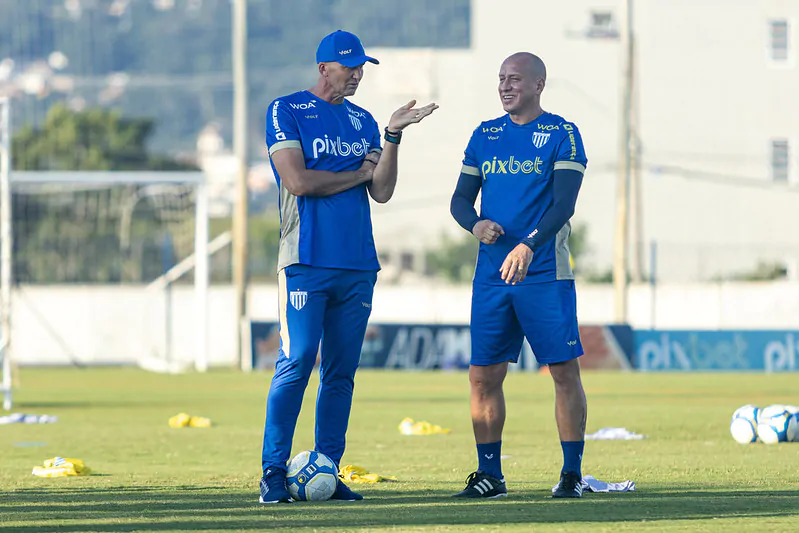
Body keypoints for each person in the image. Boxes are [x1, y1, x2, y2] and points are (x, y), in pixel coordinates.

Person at [260, 30, 437, 504]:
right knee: (296, 363)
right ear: (323, 68)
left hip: (357, 263)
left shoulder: (363, 121)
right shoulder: (286, 110)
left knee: (341, 373)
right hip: (305, 260)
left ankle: (328, 468)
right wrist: (358, 172)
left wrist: (393, 136)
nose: (357, 74)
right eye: (349, 66)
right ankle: (273, 474)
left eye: (361, 67)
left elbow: (380, 191)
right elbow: (298, 181)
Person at [449, 52, 588, 499]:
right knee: (482, 377)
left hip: (545, 272)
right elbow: (459, 201)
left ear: (539, 84)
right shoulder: (484, 135)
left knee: (563, 372)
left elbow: (563, 205)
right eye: (501, 79)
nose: (506, 86)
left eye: (515, 79)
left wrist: (529, 244)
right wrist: (474, 224)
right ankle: (490, 475)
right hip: (491, 276)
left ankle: (571, 474)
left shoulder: (562, 134)